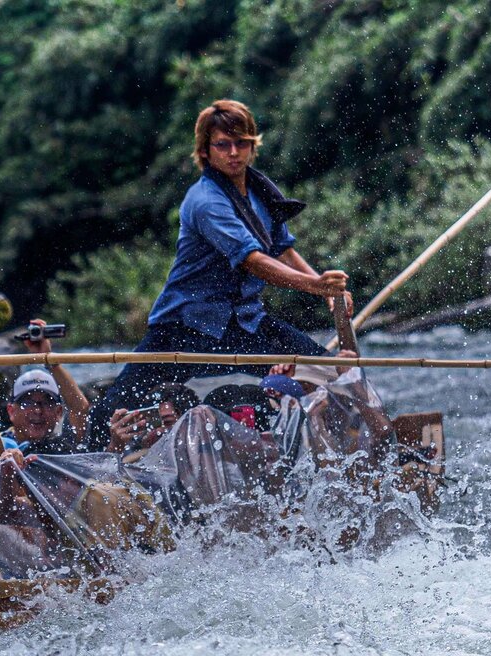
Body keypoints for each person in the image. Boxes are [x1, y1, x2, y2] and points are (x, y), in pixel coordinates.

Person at [87, 98, 353, 451]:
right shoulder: (205, 200)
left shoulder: (259, 191)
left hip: (242, 321)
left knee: (327, 372)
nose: (233, 153)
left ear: (252, 145)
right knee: (115, 407)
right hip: (183, 327)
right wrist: (316, 286)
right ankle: (86, 456)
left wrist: (326, 291)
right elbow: (253, 261)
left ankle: (341, 447)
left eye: (241, 143)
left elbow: (282, 248)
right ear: (205, 151)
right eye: (222, 145)